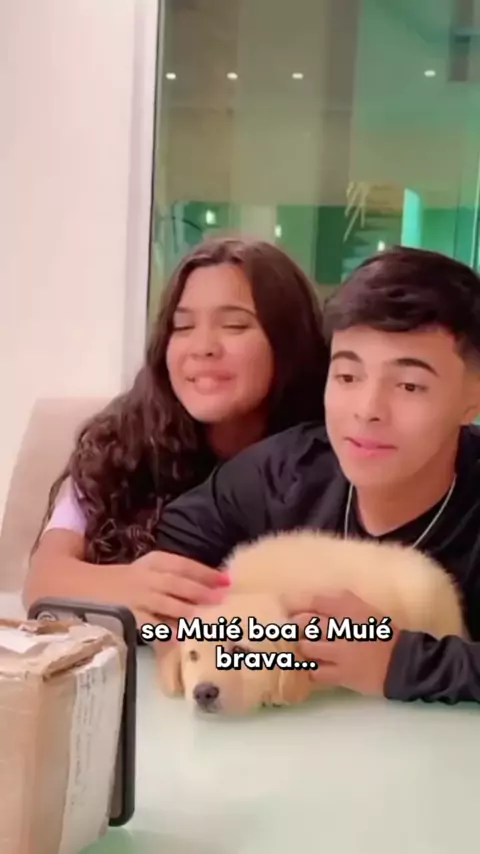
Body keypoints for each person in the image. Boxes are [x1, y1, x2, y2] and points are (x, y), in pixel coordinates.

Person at [126, 245, 480, 704]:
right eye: (347, 377)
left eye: (410, 385)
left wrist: (402, 662)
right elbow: (158, 569)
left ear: (473, 397)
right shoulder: (284, 471)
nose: (367, 410)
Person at [23, 235, 330, 629]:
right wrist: (123, 586)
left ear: (289, 341)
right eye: (182, 327)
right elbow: (43, 577)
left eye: (234, 325)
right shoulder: (120, 444)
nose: (202, 347)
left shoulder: (325, 457)